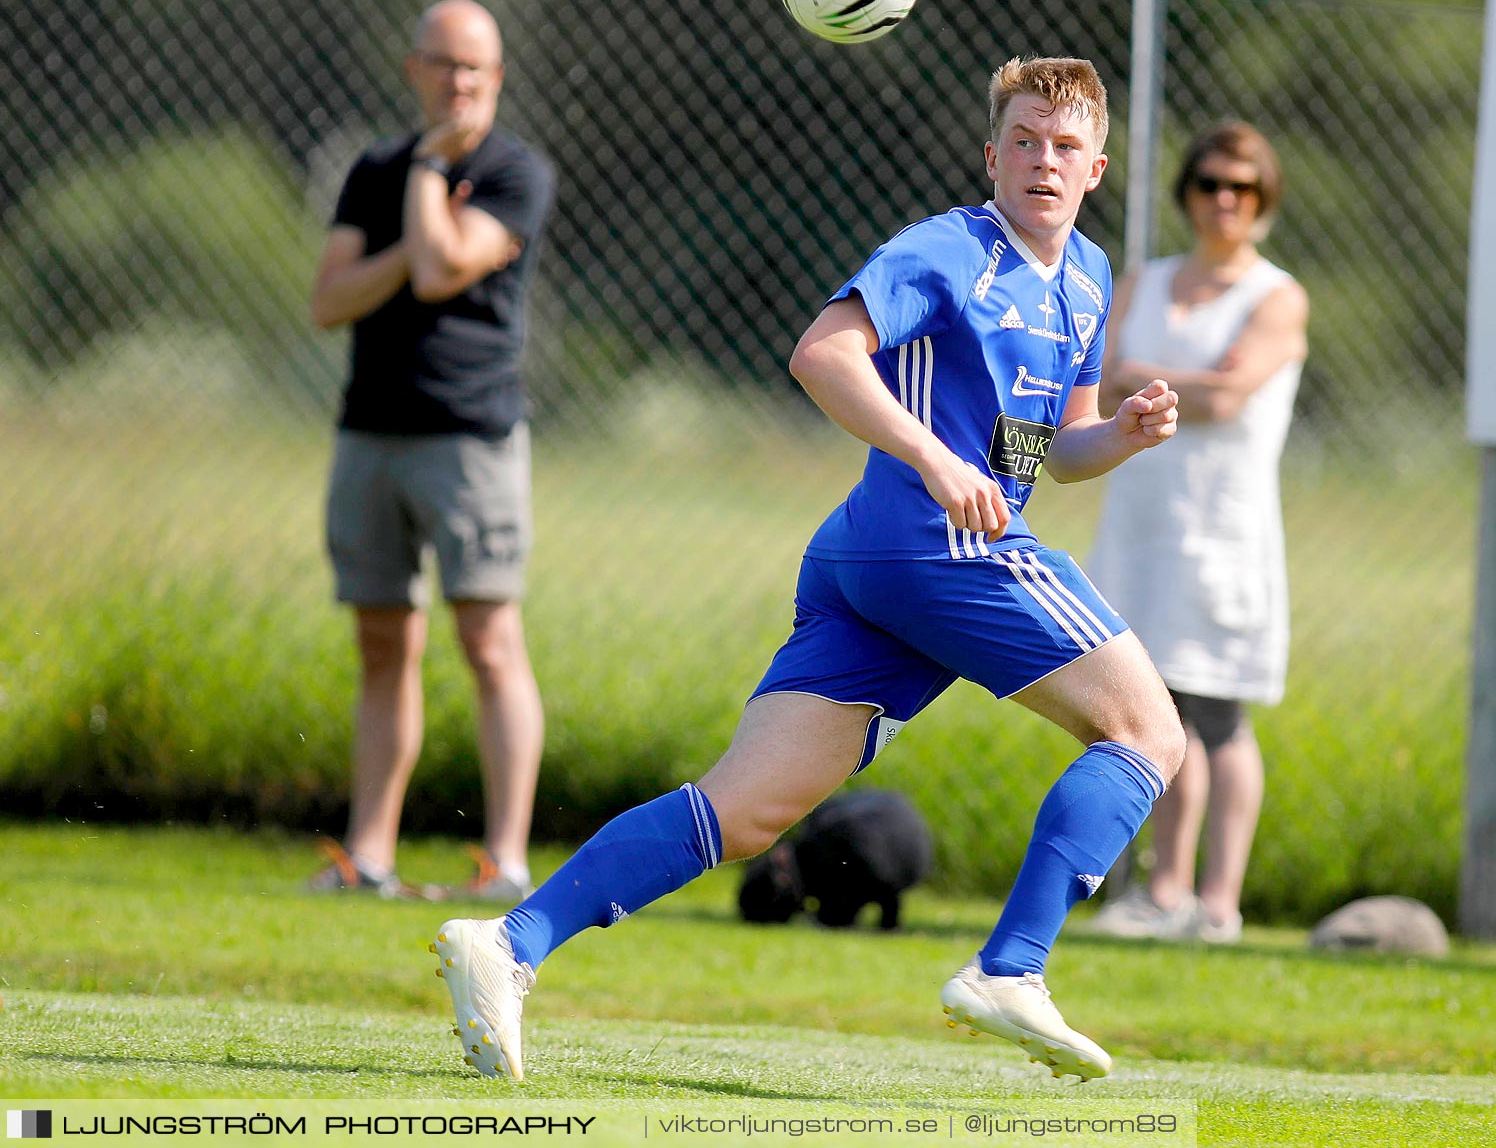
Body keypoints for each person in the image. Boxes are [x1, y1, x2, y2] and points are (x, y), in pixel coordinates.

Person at [433, 56, 1183, 1082]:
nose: (1041, 163)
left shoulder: (1089, 279)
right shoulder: (949, 251)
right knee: (1149, 732)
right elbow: (824, 354)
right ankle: (1012, 968)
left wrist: (1126, 437)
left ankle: (509, 944)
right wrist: (931, 455)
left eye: (1063, 147)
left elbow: (1058, 444)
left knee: (745, 811)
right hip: (931, 542)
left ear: (1095, 168)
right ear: (991, 154)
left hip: (871, 564)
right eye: (1022, 141)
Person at [309, 0, 555, 902]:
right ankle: (368, 857)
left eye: (475, 71)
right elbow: (328, 300)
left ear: (496, 79)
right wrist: (416, 203)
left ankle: (505, 861)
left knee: (489, 642)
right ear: (415, 69)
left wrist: (420, 222)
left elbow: (446, 265)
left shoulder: (515, 172)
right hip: (370, 430)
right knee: (383, 646)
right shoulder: (376, 169)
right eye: (443, 65)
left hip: (470, 437)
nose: (457, 83)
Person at [1084, 122, 1307, 945]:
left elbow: (1224, 399)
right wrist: (1155, 382)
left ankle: (1209, 900)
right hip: (1139, 526)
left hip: (1223, 532)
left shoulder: (1276, 295)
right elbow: (1097, 381)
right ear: (1188, 192)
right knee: (1144, 706)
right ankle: (1154, 891)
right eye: (1212, 182)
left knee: (1215, 714)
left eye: (1243, 188)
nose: (1225, 200)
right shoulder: (1145, 280)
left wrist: (1139, 378)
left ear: (1264, 200)